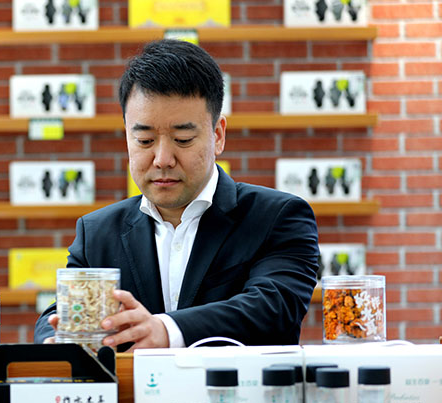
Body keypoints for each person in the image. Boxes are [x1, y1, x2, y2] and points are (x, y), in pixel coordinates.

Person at [34, 39, 320, 350]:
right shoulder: (97, 232)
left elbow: (272, 308)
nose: (162, 159)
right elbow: (60, 312)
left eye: (182, 139)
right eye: (144, 141)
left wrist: (166, 330)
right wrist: (57, 339)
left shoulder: (277, 217)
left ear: (218, 135)